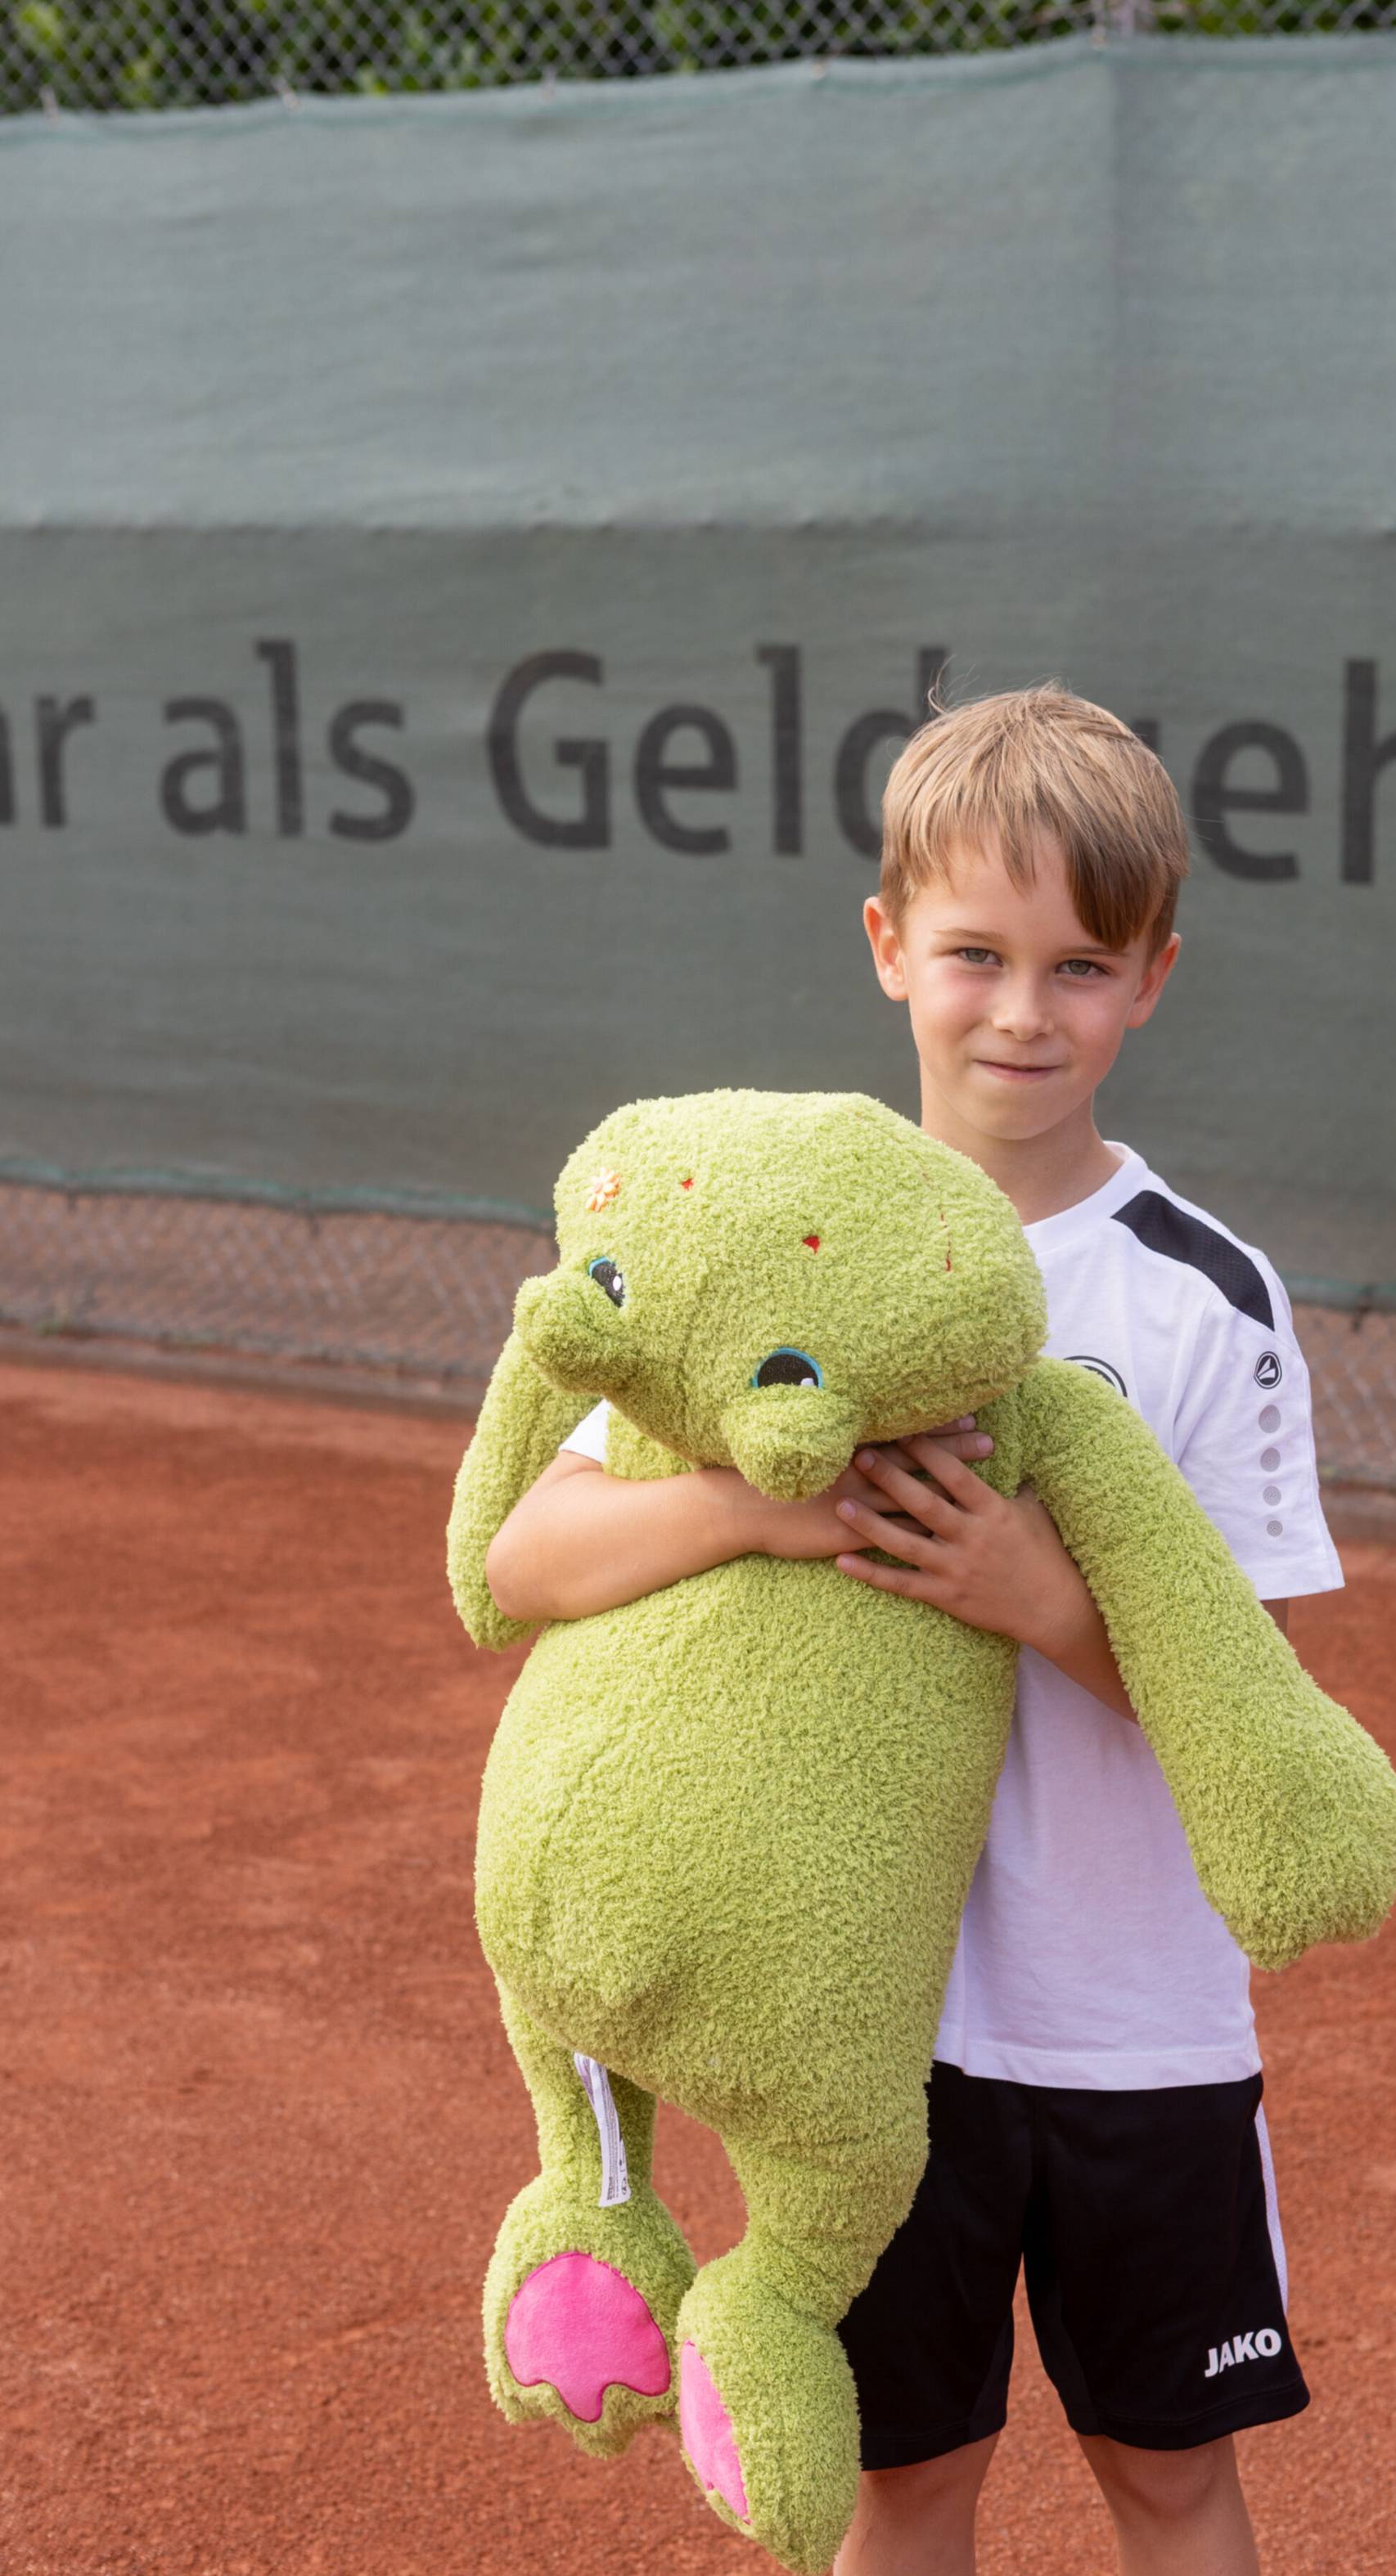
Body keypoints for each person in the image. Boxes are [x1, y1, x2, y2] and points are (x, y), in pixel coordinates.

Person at [484, 684, 1343, 2576]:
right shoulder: (760, 1226)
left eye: (1081, 966)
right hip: (871, 2040)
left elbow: (1264, 1697)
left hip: (1136, 2028)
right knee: (906, 2487)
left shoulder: (1207, 1298)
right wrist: (749, 1506)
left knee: (1171, 2479)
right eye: (976, 955)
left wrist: (1040, 1596)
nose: (1023, 1012)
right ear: (888, 946)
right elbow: (527, 1553)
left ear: (1153, 979)